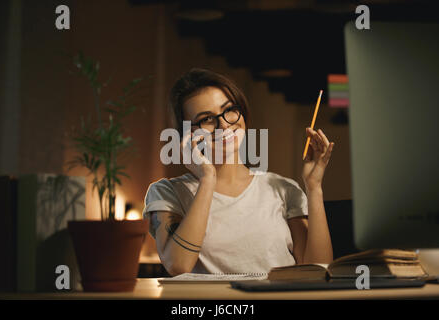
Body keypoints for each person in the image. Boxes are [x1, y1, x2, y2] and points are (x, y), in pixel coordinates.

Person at [142, 68, 334, 276]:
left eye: (229, 109)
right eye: (207, 119)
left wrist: (314, 188)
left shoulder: (283, 189)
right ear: (187, 134)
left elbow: (318, 271)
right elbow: (178, 265)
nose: (224, 124)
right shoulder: (166, 193)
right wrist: (207, 179)